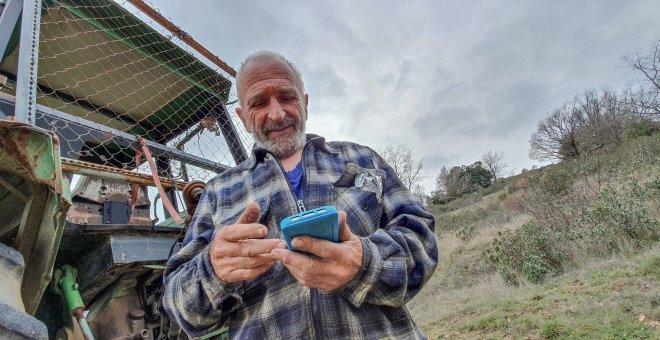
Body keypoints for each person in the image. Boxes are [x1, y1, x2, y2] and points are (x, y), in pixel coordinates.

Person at [162, 51, 438, 339]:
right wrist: (213, 269)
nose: (277, 113)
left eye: (287, 97)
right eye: (259, 102)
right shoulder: (218, 192)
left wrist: (365, 262)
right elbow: (180, 309)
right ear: (243, 118)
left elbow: (422, 239)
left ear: (304, 103)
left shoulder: (362, 159)